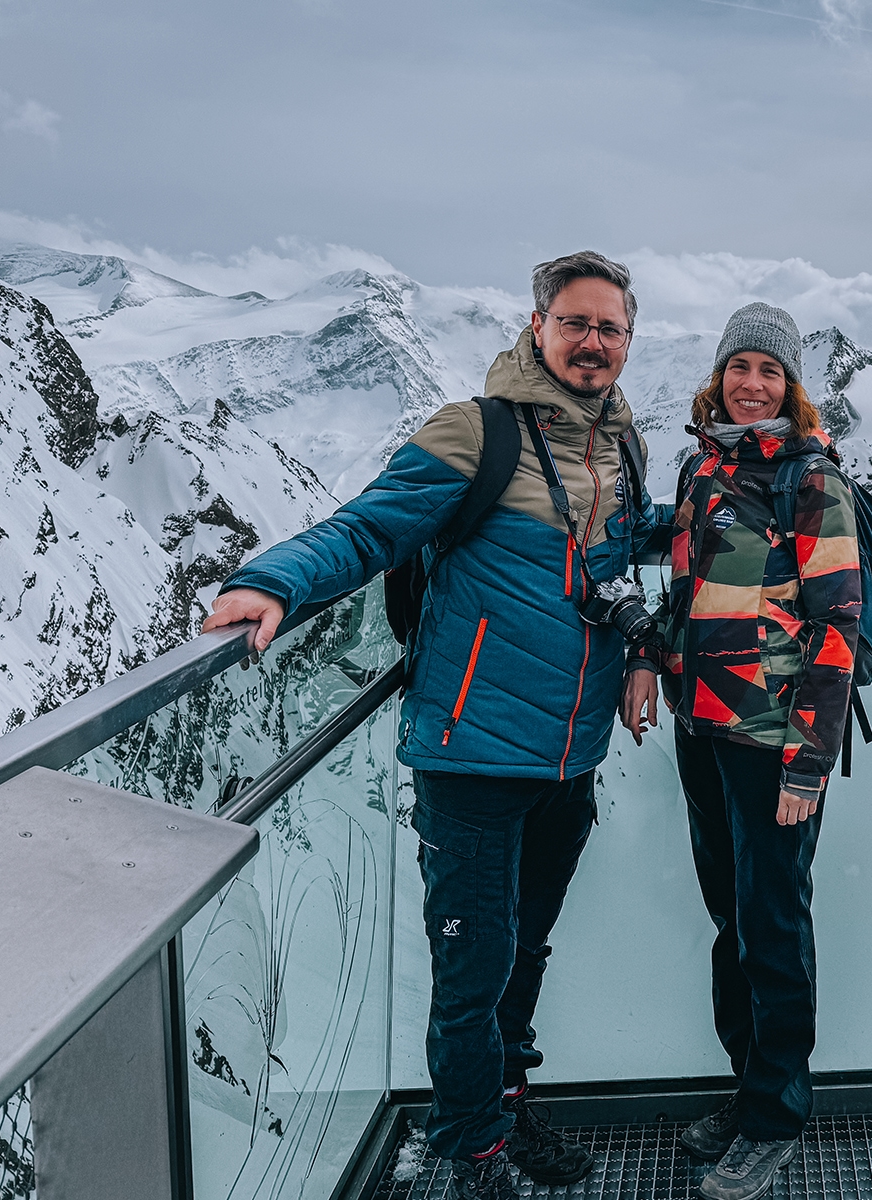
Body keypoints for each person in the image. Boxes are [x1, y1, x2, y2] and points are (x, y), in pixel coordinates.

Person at [204, 252, 664, 1200]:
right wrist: (273, 581)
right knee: (473, 966)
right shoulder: (474, 433)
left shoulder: (622, 446)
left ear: (627, 342)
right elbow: (371, 529)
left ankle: (504, 1105)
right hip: (470, 755)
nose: (592, 342)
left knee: (525, 948)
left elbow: (620, 556)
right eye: (575, 323)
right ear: (538, 326)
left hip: (568, 757)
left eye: (609, 328)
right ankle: (470, 1149)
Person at [619, 303, 861, 1200]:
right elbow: (683, 591)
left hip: (772, 745)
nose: (750, 384)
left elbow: (838, 624)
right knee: (731, 919)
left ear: (790, 388)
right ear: (717, 376)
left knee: (773, 925)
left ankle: (775, 1118)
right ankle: (747, 1086)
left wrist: (809, 760)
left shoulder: (811, 480)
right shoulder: (702, 468)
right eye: (738, 367)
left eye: (768, 371)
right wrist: (649, 655)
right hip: (703, 730)